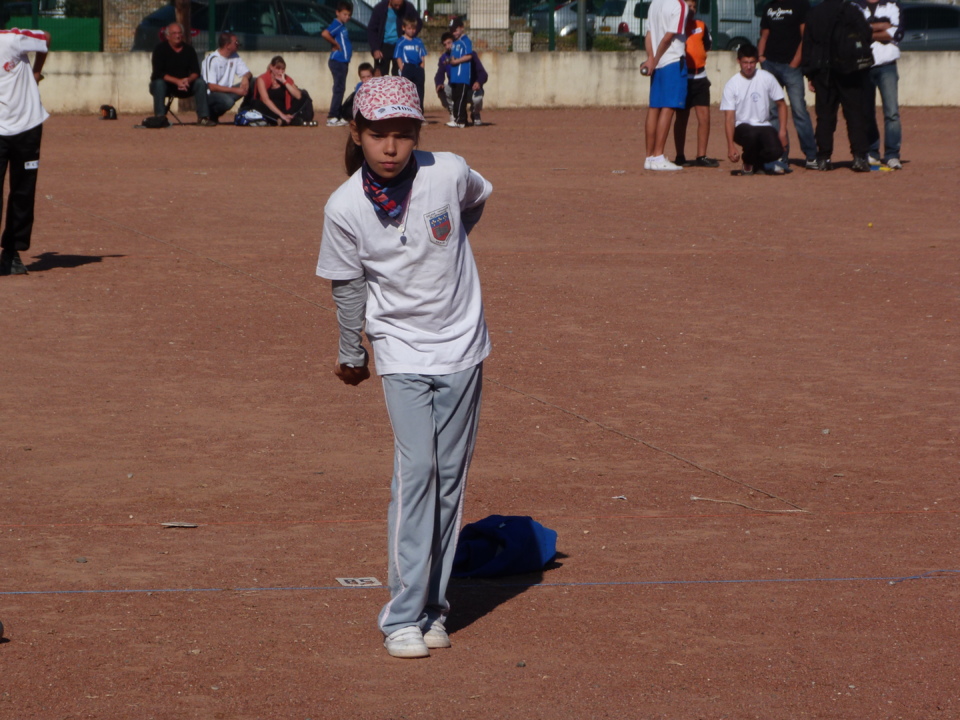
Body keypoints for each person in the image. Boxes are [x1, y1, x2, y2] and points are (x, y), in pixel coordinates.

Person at [316, 75, 492, 659]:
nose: (391, 147)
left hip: (462, 342)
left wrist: (449, 252)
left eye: (403, 134)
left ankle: (434, 609)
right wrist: (351, 350)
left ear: (418, 133)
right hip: (400, 347)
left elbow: (475, 200)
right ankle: (400, 616)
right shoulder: (344, 207)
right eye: (378, 135)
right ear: (357, 134)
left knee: (448, 481)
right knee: (417, 470)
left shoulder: (448, 171)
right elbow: (346, 284)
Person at [801, 0, 873, 172]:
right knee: (855, 114)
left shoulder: (814, 13)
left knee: (825, 116)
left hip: (823, 71)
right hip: (850, 71)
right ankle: (859, 157)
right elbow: (866, 34)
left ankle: (824, 157)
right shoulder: (851, 10)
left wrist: (810, 74)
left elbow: (808, 44)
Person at [0, 26, 49, 277]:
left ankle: (12, 253)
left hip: (27, 125)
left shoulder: (12, 39)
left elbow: (46, 38)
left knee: (23, 191)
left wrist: (36, 72)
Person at [758, 0, 819, 170]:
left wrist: (795, 62)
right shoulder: (769, 7)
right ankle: (780, 155)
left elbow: (805, 36)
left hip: (792, 68)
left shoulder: (801, 5)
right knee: (773, 112)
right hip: (770, 65)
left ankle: (811, 155)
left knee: (799, 110)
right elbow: (764, 34)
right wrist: (761, 57)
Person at [721, 43, 790, 176]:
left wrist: (782, 132)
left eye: (752, 62)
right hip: (742, 126)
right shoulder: (732, 84)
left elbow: (781, 104)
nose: (748, 66)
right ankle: (748, 161)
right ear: (738, 62)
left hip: (763, 124)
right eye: (745, 62)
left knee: (777, 150)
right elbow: (729, 118)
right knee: (752, 135)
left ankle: (757, 163)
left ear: (757, 61)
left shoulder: (766, 77)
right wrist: (730, 145)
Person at [640, 0, 689, 171]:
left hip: (659, 64)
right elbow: (669, 36)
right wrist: (656, 59)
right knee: (668, 108)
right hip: (673, 61)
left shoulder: (655, 3)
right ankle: (658, 155)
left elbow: (649, 35)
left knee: (654, 108)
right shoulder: (680, 5)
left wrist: (651, 58)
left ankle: (650, 157)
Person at [856, 0, 903, 169]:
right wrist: (882, 27)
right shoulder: (855, 5)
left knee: (891, 112)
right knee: (866, 112)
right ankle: (872, 152)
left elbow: (896, 33)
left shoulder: (892, 5)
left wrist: (867, 30)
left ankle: (892, 154)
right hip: (864, 65)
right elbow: (854, 32)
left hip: (887, 66)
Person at [673, 0, 719, 168]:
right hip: (683, 78)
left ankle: (701, 155)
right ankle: (679, 155)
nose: (692, 10)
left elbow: (707, 45)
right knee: (682, 118)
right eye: (688, 7)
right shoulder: (676, 28)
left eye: (694, 7)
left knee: (704, 118)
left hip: (700, 77)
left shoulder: (701, 25)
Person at [150, 23, 213, 126]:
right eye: (174, 33)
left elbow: (196, 72)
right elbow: (158, 73)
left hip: (185, 85)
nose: (177, 36)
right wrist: (177, 81)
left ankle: (203, 117)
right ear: (167, 36)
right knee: (158, 83)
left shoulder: (189, 50)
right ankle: (160, 118)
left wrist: (188, 80)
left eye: (179, 33)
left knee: (200, 83)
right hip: (167, 86)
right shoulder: (160, 49)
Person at [249, 56, 315, 126]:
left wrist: (284, 82)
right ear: (271, 67)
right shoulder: (262, 79)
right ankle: (284, 120)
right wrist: (281, 115)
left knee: (304, 96)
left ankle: (285, 120)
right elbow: (265, 100)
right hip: (269, 109)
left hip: (285, 110)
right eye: (278, 68)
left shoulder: (286, 78)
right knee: (255, 104)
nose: (280, 71)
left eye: (283, 69)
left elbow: (298, 96)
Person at [201, 32, 251, 123]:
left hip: (228, 92)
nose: (238, 44)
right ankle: (211, 114)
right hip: (212, 95)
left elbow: (247, 72)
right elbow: (212, 87)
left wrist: (245, 77)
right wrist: (236, 90)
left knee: (254, 82)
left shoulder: (235, 56)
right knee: (228, 101)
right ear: (228, 45)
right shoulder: (212, 59)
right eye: (236, 42)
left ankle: (246, 111)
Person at [367, 0, 422, 77]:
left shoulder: (408, 7)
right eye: (396, 5)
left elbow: (418, 23)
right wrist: (375, 48)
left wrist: (409, 36)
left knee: (399, 75)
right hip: (383, 46)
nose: (398, 7)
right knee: (380, 76)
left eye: (400, 5)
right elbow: (372, 30)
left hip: (400, 46)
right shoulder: (379, 9)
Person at [322, 1, 353, 127]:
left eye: (349, 15)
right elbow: (325, 33)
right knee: (338, 88)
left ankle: (338, 114)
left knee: (341, 88)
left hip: (343, 62)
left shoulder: (342, 26)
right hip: (337, 61)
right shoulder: (337, 24)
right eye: (344, 14)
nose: (347, 17)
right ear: (338, 13)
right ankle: (332, 116)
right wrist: (335, 44)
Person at [394, 16, 427, 113]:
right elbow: (398, 57)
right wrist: (402, 68)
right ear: (403, 28)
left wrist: (422, 67)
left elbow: (422, 55)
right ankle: (407, 113)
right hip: (407, 68)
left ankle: (420, 113)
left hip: (418, 68)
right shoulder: (401, 42)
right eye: (409, 28)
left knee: (419, 91)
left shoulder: (418, 41)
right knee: (407, 92)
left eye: (413, 28)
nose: (412, 31)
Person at [447, 17, 473, 129]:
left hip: (462, 75)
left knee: (461, 99)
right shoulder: (455, 43)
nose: (454, 32)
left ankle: (460, 120)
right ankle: (462, 119)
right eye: (452, 30)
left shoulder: (465, 41)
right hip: (455, 76)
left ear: (462, 28)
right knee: (456, 97)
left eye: (456, 30)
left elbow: (469, 55)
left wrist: (457, 61)